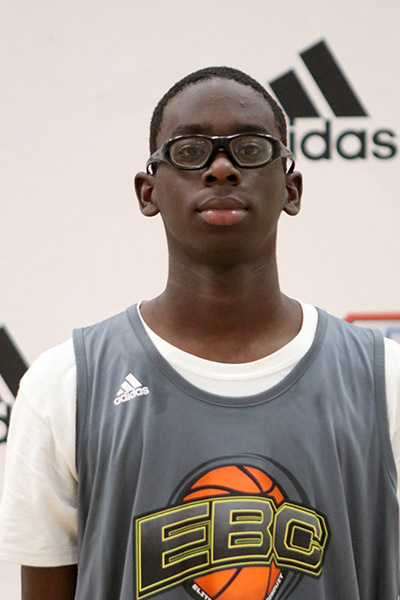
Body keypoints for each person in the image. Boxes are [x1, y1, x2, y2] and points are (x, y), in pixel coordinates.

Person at [0, 66, 399, 600]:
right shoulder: (65, 384)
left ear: (291, 188)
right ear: (148, 192)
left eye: (250, 149)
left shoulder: (385, 380)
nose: (221, 168)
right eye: (190, 151)